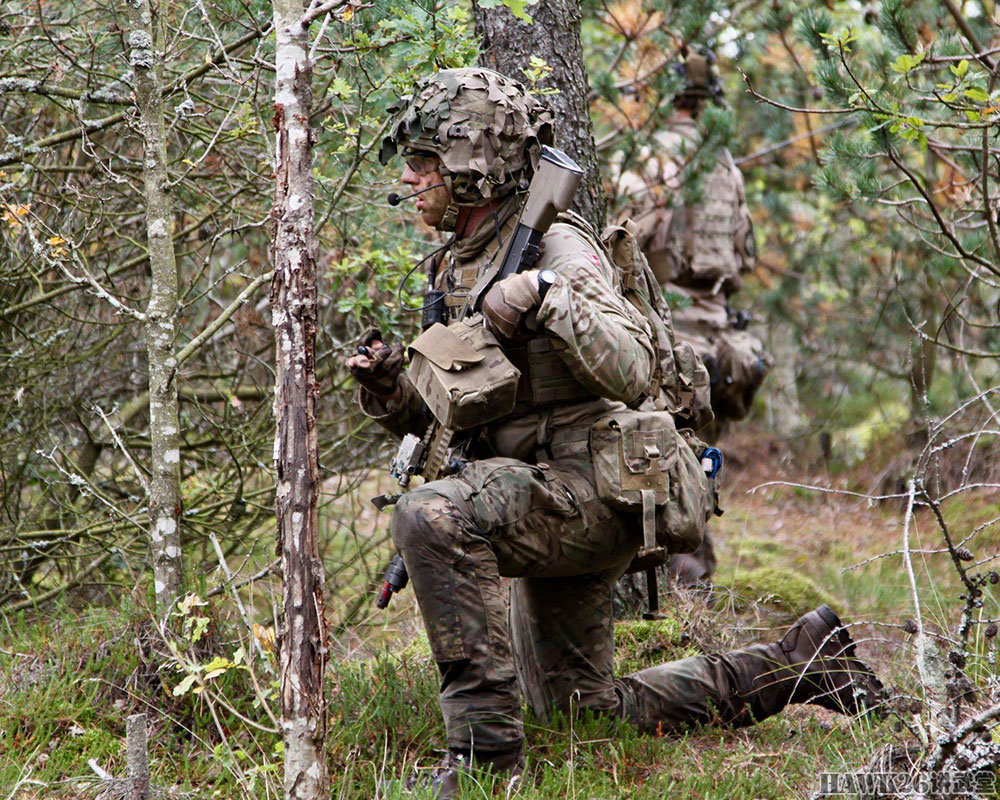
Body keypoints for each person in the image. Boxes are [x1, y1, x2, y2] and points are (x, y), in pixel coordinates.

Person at [348, 67, 881, 797]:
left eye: (423, 163)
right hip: (537, 493)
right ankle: (801, 662)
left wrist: (542, 295)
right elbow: (458, 406)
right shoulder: (452, 263)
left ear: (470, 166)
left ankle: (483, 766)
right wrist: (388, 385)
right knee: (580, 709)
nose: (411, 179)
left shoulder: (557, 249)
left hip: (595, 492)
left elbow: (632, 369)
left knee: (432, 515)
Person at [615, 47, 772, 585]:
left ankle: (675, 586)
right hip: (717, 338)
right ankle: (694, 578)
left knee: (661, 466)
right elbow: (744, 256)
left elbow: (622, 241)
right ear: (713, 104)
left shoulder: (654, 158)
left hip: (668, 335)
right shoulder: (725, 165)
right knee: (703, 461)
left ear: (670, 98)